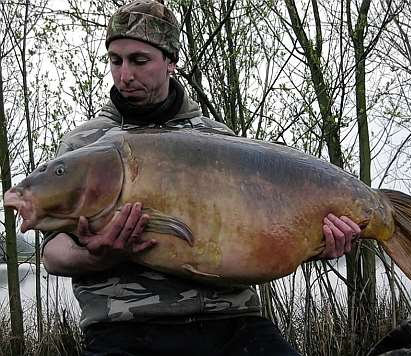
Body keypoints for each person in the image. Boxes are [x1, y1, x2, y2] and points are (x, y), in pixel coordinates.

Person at [42, 1, 361, 355]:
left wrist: (319, 244)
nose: (125, 75)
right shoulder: (84, 145)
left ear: (170, 61)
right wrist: (98, 256)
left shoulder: (217, 140)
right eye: (116, 60)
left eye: (139, 60)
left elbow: (260, 232)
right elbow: (52, 253)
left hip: (229, 321)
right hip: (124, 327)